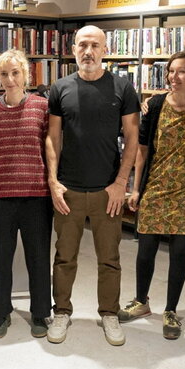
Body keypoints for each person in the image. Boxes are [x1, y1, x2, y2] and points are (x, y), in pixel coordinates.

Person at [45, 25, 140, 346]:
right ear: (73, 49)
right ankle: (62, 312)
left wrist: (120, 183)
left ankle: (109, 314)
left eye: (95, 45)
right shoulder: (59, 89)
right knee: (64, 257)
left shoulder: (122, 88)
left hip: (107, 192)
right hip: (68, 190)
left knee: (109, 259)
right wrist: (53, 182)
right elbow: (52, 137)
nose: (88, 51)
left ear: (104, 50)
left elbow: (132, 138)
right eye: (82, 45)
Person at [119, 49, 185, 341]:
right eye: (171, 71)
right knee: (145, 247)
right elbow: (142, 150)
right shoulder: (156, 105)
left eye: (181, 71)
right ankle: (141, 301)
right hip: (156, 186)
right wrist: (136, 188)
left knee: (180, 252)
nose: (173, 77)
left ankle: (171, 310)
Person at [0, 50, 53, 339]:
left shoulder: (42, 107)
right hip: (0, 195)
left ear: (26, 75)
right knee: (0, 257)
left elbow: (49, 150)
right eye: (4, 74)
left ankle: (40, 314)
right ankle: (0, 313)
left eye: (15, 73)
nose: (10, 79)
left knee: (38, 257)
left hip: (37, 194)